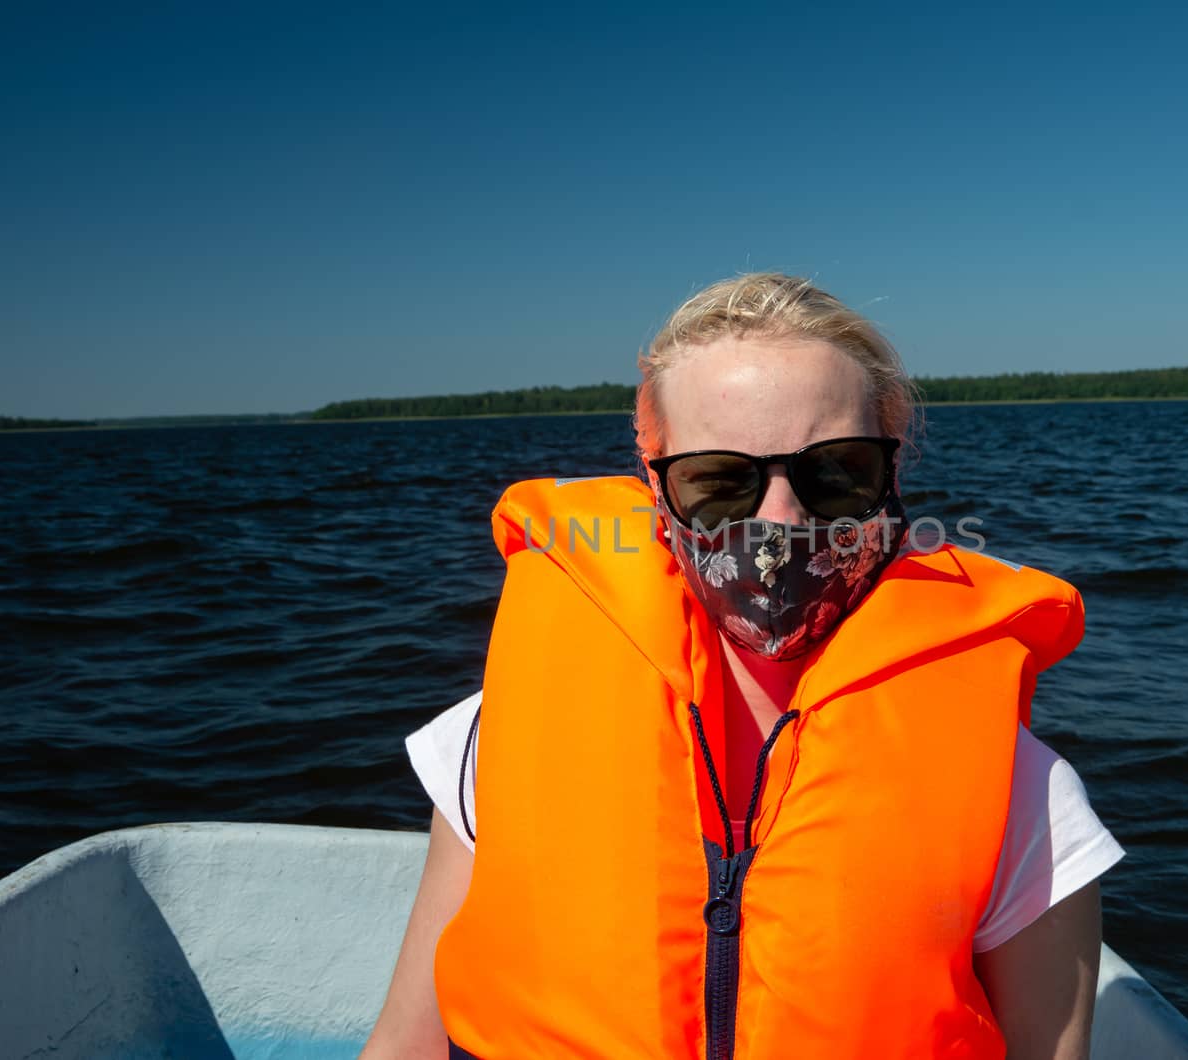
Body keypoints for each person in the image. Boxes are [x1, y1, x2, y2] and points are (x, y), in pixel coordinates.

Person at [362, 274, 1122, 1059]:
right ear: (655, 484)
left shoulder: (1019, 791)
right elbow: (405, 1043)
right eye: (719, 482)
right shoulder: (503, 735)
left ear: (891, 477)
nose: (778, 523)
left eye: (835, 473)